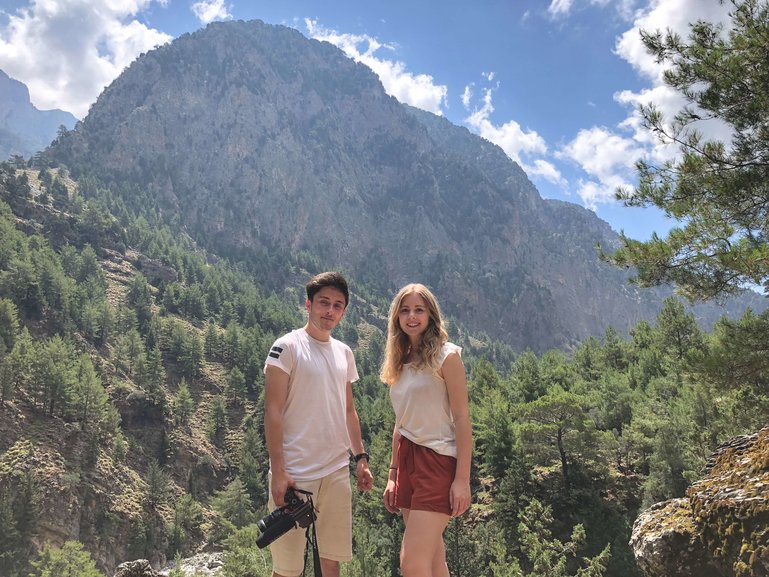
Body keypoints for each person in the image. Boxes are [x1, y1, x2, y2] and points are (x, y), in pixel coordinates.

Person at [263, 271, 374, 577]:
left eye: (338, 305)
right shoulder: (286, 348)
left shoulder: (344, 353)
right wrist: (279, 471)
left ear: (344, 311)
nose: (330, 310)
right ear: (308, 304)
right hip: (295, 476)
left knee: (330, 561)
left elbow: (349, 411)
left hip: (336, 472)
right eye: (324, 302)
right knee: (287, 569)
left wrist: (361, 458)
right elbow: (273, 412)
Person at [381, 283, 472, 577]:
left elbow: (461, 418)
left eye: (419, 310)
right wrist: (393, 474)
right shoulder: (401, 361)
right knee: (433, 559)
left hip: (438, 461)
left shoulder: (448, 357)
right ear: (397, 317)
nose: (411, 316)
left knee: (411, 563)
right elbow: (401, 421)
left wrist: (462, 480)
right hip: (407, 461)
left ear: (431, 315)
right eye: (405, 310)